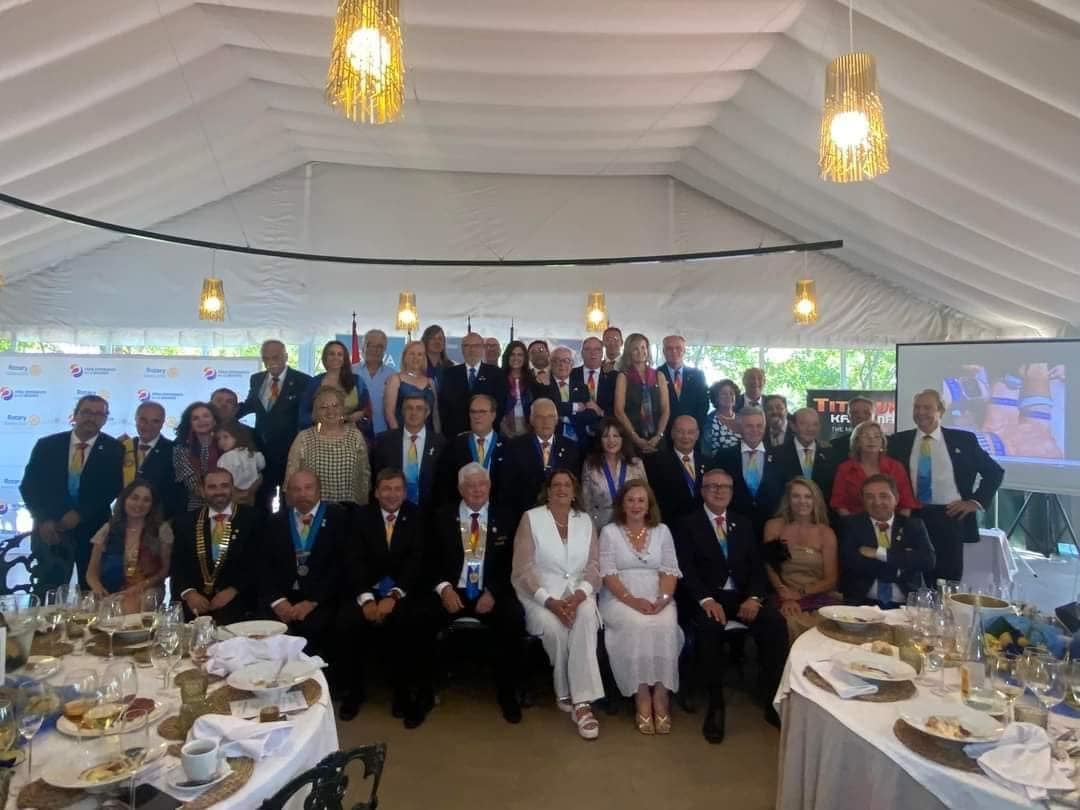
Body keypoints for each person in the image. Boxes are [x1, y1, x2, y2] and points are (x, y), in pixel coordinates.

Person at [674, 468, 787, 742]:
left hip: (742, 598)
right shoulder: (687, 524)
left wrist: (755, 597)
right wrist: (706, 600)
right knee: (709, 629)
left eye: (725, 487)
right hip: (707, 599)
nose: (719, 491)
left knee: (775, 623)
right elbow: (685, 570)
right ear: (702, 491)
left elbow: (758, 570)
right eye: (712, 486)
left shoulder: (743, 523)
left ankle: (773, 699)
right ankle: (716, 706)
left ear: (732, 492)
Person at [427, 463, 526, 723]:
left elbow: (513, 561)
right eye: (470, 485)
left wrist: (493, 591)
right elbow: (428, 560)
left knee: (513, 617)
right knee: (419, 617)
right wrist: (444, 588)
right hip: (453, 589)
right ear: (460, 489)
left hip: (489, 589)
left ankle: (508, 693)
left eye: (482, 484)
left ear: (490, 486)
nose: (477, 490)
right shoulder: (441, 516)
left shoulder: (507, 516)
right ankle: (424, 694)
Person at [511, 470, 604, 740]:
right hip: (539, 594)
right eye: (556, 485)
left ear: (574, 492)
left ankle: (581, 703)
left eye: (567, 485)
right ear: (548, 491)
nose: (562, 489)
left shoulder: (585, 521)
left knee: (585, 617)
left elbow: (594, 565)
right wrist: (549, 601)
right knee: (556, 628)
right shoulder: (531, 518)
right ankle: (566, 690)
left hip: (578, 593)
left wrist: (579, 595)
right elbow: (523, 568)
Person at [336, 469, 432, 727]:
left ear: (405, 492)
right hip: (365, 590)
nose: (392, 495)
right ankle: (354, 692)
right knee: (346, 623)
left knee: (408, 623)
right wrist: (367, 599)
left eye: (397, 489)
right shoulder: (360, 517)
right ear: (376, 492)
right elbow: (352, 561)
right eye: (386, 489)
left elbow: (417, 561)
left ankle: (402, 693)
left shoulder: (417, 516)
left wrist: (394, 595)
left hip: (402, 591)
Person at [888, 389, 1003, 582]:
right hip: (912, 517)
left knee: (946, 581)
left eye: (927, 407)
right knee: (910, 577)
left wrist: (974, 502)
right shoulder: (899, 442)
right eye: (917, 407)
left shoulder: (963, 440)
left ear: (940, 411)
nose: (921, 412)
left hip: (949, 517)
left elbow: (994, 472)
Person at [599, 481, 682, 735]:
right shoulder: (610, 532)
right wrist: (632, 600)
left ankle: (661, 690)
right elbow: (608, 574)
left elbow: (670, 569)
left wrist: (664, 599)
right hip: (620, 596)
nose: (636, 505)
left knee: (665, 624)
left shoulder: (663, 531)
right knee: (637, 624)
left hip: (658, 596)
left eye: (641, 501)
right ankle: (641, 693)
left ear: (649, 505)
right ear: (622, 505)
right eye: (630, 500)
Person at [20, 394, 123, 592]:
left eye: (98, 414)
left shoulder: (114, 449)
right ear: (75, 415)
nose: (91, 418)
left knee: (92, 591)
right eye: (86, 412)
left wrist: (81, 514)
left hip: (93, 530)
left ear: (105, 419)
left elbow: (111, 488)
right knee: (48, 591)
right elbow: (29, 486)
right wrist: (44, 519)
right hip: (50, 530)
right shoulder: (47, 445)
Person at [261, 470, 347, 658]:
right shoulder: (276, 521)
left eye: (308, 488)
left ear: (319, 490)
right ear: (288, 494)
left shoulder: (339, 518)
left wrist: (312, 601)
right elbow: (265, 566)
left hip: (322, 596)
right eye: (296, 489)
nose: (302, 494)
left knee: (318, 627)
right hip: (284, 596)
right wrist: (278, 601)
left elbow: (341, 566)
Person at [171, 468, 260, 623]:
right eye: (212, 487)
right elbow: (178, 564)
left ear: (232, 488)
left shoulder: (253, 518)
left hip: (239, 600)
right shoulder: (185, 521)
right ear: (202, 490)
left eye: (224, 486)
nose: (219, 491)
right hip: (195, 602)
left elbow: (258, 562)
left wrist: (233, 590)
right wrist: (189, 593)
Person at [839, 474, 936, 607]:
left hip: (906, 604)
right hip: (863, 603)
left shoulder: (913, 525)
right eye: (869, 497)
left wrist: (879, 553)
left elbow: (928, 561)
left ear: (896, 499)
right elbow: (852, 563)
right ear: (863, 501)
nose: (877, 502)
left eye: (884, 496)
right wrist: (902, 565)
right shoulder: (851, 525)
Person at [237, 339, 312, 511]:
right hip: (261, 451)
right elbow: (250, 405)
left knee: (289, 501)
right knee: (262, 501)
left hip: (290, 452)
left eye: (276, 356)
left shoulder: (303, 380)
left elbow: (307, 414)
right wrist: (224, 417)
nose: (272, 361)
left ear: (286, 356)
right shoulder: (256, 379)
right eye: (266, 358)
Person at [762, 478, 840, 642]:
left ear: (815, 500)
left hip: (816, 595)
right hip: (783, 594)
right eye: (796, 496)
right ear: (788, 500)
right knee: (785, 622)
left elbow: (831, 579)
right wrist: (786, 595)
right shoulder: (776, 527)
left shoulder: (825, 532)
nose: (802, 501)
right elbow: (772, 567)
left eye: (808, 496)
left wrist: (801, 593)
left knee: (825, 626)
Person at [86, 479, 174, 613]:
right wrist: (98, 588)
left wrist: (139, 587)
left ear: (152, 505)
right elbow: (91, 573)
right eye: (134, 498)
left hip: (147, 588)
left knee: (127, 608)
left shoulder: (161, 530)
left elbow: (164, 571)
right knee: (89, 608)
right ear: (124, 500)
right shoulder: (108, 529)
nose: (139, 504)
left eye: (146, 500)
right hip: (110, 587)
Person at [285, 387, 371, 507]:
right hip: (313, 510)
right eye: (323, 407)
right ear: (315, 412)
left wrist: (364, 506)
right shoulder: (304, 437)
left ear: (342, 409)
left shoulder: (355, 436)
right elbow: (291, 475)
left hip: (350, 510)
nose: (330, 411)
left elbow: (364, 476)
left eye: (335, 406)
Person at [500, 398, 581, 522]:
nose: (545, 421)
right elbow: (508, 487)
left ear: (556, 419)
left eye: (550, 416)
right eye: (539, 417)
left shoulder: (571, 448)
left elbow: (575, 486)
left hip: (562, 516)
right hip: (526, 516)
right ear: (531, 420)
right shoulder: (515, 447)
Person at [712, 406, 785, 538]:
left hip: (772, 529)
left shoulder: (780, 456)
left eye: (759, 425)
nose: (755, 430)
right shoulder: (723, 457)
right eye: (749, 426)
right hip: (734, 529)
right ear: (739, 427)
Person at [372, 394, 446, 512]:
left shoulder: (440, 443)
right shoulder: (384, 441)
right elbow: (376, 477)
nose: (414, 413)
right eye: (409, 408)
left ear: (427, 413)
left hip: (430, 512)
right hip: (392, 510)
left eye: (419, 408)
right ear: (402, 412)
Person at [831, 421, 918, 517]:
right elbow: (839, 504)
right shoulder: (845, 468)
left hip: (891, 524)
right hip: (855, 523)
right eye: (866, 436)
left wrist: (898, 528)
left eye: (877, 436)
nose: (871, 440)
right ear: (857, 441)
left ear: (882, 442)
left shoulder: (896, 466)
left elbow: (906, 503)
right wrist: (852, 526)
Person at [437, 394, 506, 506]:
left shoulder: (509, 447)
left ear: (493, 415)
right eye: (473, 412)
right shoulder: (454, 446)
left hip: (498, 513)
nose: (477, 416)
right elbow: (444, 484)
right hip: (462, 512)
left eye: (482, 412)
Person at [438, 332, 508, 438]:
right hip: (456, 436)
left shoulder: (496, 374)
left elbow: (500, 406)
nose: (472, 350)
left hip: (487, 435)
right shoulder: (450, 374)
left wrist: (487, 430)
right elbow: (444, 407)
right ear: (462, 349)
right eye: (467, 346)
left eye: (476, 346)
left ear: (482, 348)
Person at [580, 418, 647, 528]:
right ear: (600, 440)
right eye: (606, 436)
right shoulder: (590, 465)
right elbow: (586, 503)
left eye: (616, 436)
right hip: (601, 526)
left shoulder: (636, 464)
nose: (611, 440)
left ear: (622, 439)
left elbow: (646, 498)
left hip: (632, 523)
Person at [117, 401, 178, 518]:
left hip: (158, 521)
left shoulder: (174, 451)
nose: (148, 426)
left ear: (162, 423)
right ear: (135, 419)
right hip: (123, 518)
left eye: (155, 421)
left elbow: (175, 493)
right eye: (143, 420)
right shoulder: (122, 447)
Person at [613, 333, 670, 456]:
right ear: (629, 352)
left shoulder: (659, 375)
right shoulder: (623, 377)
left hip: (657, 438)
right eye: (635, 349)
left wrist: (658, 436)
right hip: (632, 438)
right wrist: (635, 438)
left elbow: (665, 409)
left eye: (643, 347)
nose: (640, 352)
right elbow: (619, 411)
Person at [649, 415, 711, 526]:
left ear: (697, 435)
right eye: (680, 432)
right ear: (672, 434)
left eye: (690, 432)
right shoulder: (656, 462)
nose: (685, 437)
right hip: (672, 526)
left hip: (704, 526)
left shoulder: (708, 462)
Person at [299, 341, 371, 432]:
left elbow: (367, 409)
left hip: (352, 435)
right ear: (325, 358)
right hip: (320, 436)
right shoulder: (314, 383)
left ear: (344, 359)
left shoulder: (357, 381)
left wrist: (361, 414)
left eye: (340, 354)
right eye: (332, 354)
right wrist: (319, 418)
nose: (335, 357)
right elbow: (303, 416)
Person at [536, 346, 600, 446]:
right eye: (557, 360)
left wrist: (565, 418)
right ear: (551, 363)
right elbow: (551, 408)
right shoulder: (543, 384)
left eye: (566, 361)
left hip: (579, 442)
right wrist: (575, 407)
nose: (561, 364)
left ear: (572, 364)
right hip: (552, 441)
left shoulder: (582, 386)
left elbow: (590, 415)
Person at [777, 407, 836, 504]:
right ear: (793, 426)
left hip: (823, 515)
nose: (810, 429)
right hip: (789, 514)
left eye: (815, 424)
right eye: (804, 424)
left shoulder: (830, 454)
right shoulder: (777, 454)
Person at [172, 401, 220, 513]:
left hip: (231, 505)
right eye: (195, 418)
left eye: (206, 416)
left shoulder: (227, 444)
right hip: (198, 508)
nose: (201, 421)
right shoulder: (181, 450)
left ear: (214, 420)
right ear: (190, 424)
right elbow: (194, 486)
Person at [384, 340, 440, 434]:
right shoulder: (395, 379)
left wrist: (438, 437)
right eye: (412, 354)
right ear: (405, 357)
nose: (416, 358)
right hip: (402, 436)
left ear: (424, 358)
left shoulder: (430, 382)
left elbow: (435, 414)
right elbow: (389, 414)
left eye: (420, 354)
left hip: (428, 437)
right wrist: (398, 437)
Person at [659, 335, 709, 435]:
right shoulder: (655, 375)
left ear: (684, 351)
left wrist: (693, 429)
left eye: (678, 348)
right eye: (669, 348)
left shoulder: (698, 375)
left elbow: (703, 405)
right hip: (665, 434)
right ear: (664, 352)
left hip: (691, 434)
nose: (674, 351)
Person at [355, 329, 395, 437]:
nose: (374, 350)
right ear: (363, 347)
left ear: (385, 350)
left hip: (383, 434)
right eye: (370, 345)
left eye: (379, 346)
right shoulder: (351, 371)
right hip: (354, 435)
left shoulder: (393, 376)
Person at [573, 337, 617, 437]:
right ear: (582, 353)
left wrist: (601, 411)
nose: (592, 353)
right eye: (587, 349)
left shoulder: (615, 377)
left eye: (597, 349)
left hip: (605, 433)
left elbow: (619, 409)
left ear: (602, 353)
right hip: (576, 433)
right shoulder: (571, 374)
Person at [215, 422, 265, 507]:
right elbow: (262, 465)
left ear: (237, 436)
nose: (221, 441)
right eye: (219, 439)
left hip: (233, 495)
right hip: (251, 493)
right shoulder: (253, 453)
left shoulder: (224, 458)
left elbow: (221, 477)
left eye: (226, 437)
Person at [499, 340, 538, 439]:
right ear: (507, 356)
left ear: (525, 358)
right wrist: (506, 430)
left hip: (529, 428)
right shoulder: (499, 378)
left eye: (520, 355)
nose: (516, 358)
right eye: (512, 354)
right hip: (504, 428)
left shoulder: (532, 379)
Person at [703, 379, 741, 456]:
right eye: (724, 394)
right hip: (719, 465)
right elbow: (705, 451)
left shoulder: (742, 418)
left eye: (731, 393)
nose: (728, 396)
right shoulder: (709, 421)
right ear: (716, 397)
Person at [830, 396, 875, 460]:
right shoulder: (835, 446)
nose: (860, 416)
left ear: (874, 417)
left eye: (866, 413)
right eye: (855, 413)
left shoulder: (890, 444)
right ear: (848, 417)